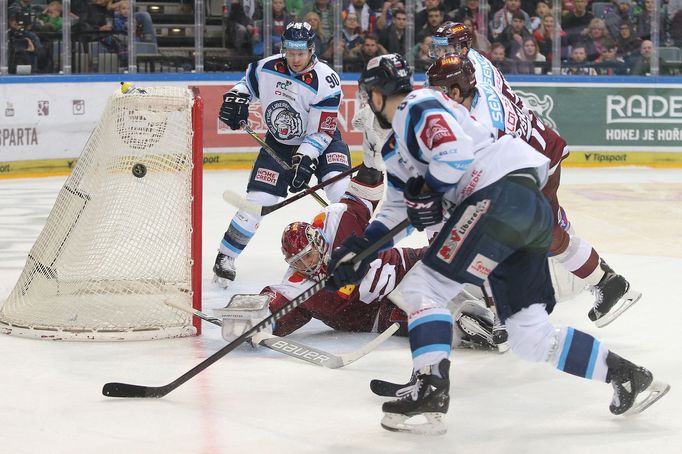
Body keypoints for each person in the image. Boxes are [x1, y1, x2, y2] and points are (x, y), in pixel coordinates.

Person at [326, 53, 669, 434]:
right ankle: (627, 375)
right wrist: (360, 250)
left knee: (426, 286)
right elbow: (396, 212)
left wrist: (429, 191)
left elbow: (453, 158)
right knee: (529, 335)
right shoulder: (397, 147)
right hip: (525, 208)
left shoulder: (418, 106)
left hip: (497, 198)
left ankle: (430, 388)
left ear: (376, 95)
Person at [432, 23, 642, 328]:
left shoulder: (482, 113)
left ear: (461, 49)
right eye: (437, 48)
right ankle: (609, 284)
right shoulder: (472, 66)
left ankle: (512, 310)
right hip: (539, 149)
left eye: (444, 49)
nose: (438, 54)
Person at [214, 22, 352, 288]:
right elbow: (246, 86)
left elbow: (321, 132)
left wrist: (305, 159)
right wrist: (235, 99)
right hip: (279, 143)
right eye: (290, 52)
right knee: (258, 201)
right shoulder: (265, 67)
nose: (296, 59)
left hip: (323, 143)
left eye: (301, 53)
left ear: (312, 50)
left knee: (340, 192)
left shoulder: (327, 81)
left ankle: (350, 253)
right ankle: (225, 256)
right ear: (284, 49)